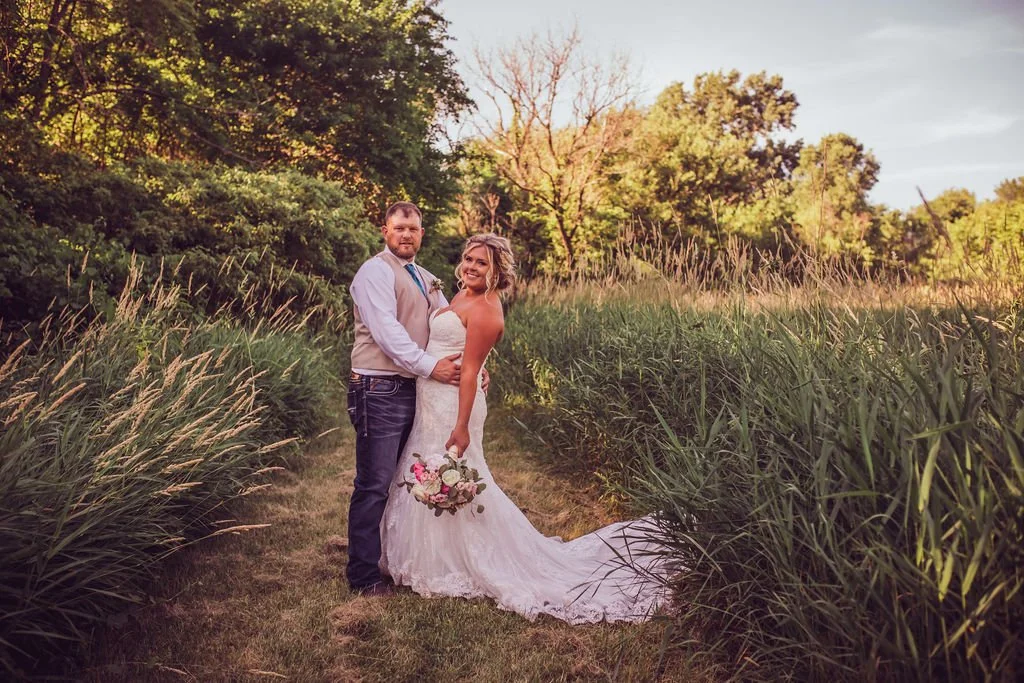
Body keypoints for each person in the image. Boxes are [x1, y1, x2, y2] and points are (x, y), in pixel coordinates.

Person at [380, 233, 669, 623]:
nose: (470, 266)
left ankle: (457, 562)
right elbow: (470, 357)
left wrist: (462, 426)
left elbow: (469, 370)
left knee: (455, 471)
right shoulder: (463, 295)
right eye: (468, 259)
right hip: (431, 398)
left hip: (454, 405)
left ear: (497, 268)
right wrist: (482, 370)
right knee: (428, 464)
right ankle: (430, 556)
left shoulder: (487, 310)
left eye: (480, 262)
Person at [346, 201, 469, 596]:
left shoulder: (428, 277)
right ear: (385, 230)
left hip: (414, 389)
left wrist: (473, 368)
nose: (406, 235)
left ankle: (393, 560)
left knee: (405, 480)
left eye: (413, 229)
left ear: (421, 234)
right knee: (374, 484)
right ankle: (363, 576)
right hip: (377, 389)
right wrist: (431, 367)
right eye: (399, 228)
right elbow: (387, 332)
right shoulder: (375, 272)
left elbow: (451, 330)